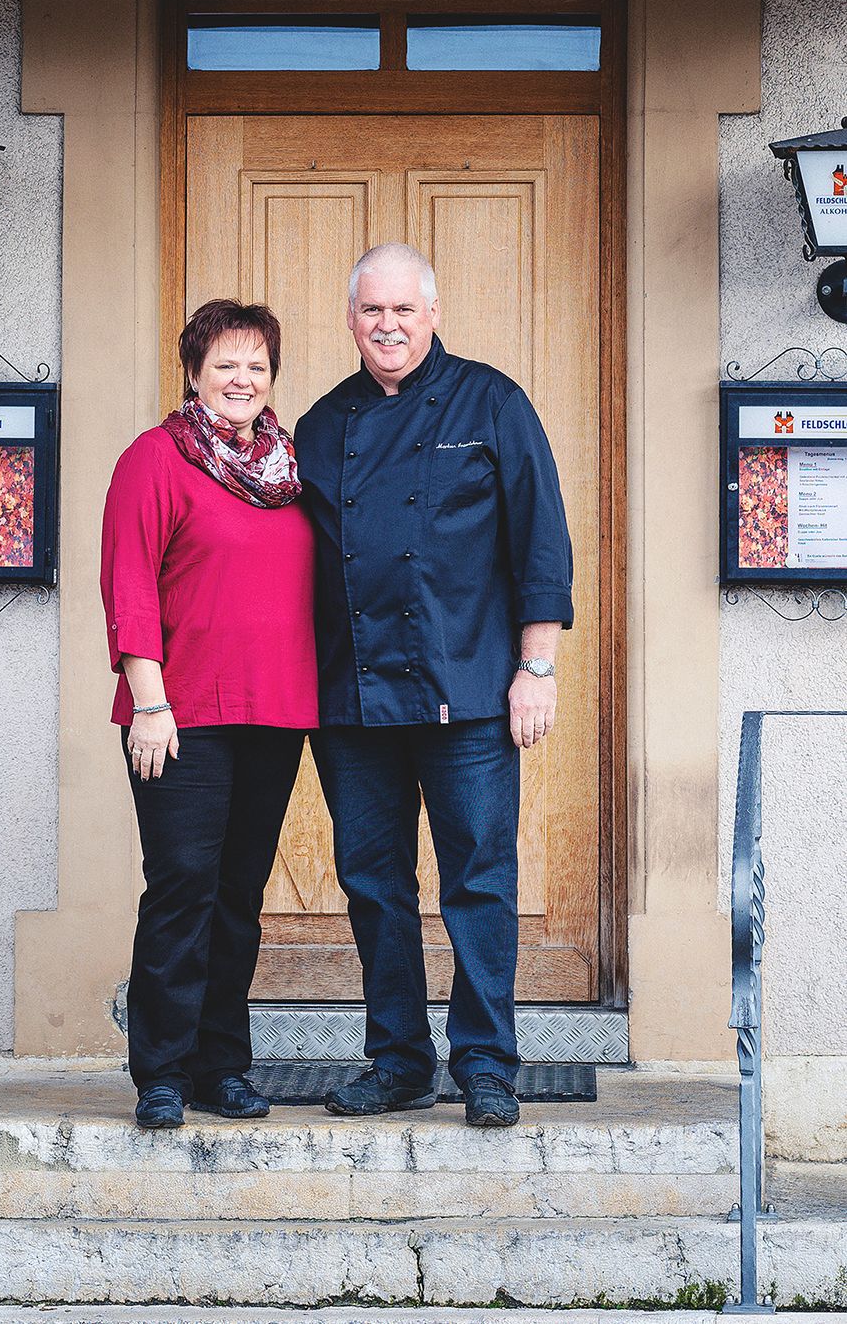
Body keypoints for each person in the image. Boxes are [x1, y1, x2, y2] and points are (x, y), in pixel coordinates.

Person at [294, 244, 573, 1127]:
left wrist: (537, 668)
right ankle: (400, 1060)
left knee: (479, 882)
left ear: (433, 313)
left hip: (472, 693)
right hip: (353, 697)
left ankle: (487, 1062)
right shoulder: (320, 423)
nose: (387, 326)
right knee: (374, 884)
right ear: (349, 320)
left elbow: (541, 544)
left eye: (403, 310)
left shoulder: (493, 402)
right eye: (371, 311)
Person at [100, 299, 317, 1129]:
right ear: (193, 371)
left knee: (237, 895)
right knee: (182, 889)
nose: (241, 379)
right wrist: (148, 699)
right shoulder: (156, 459)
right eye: (224, 363)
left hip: (275, 711)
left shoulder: (288, 468)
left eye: (255, 365)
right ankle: (161, 1070)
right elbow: (129, 581)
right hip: (177, 713)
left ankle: (221, 1066)